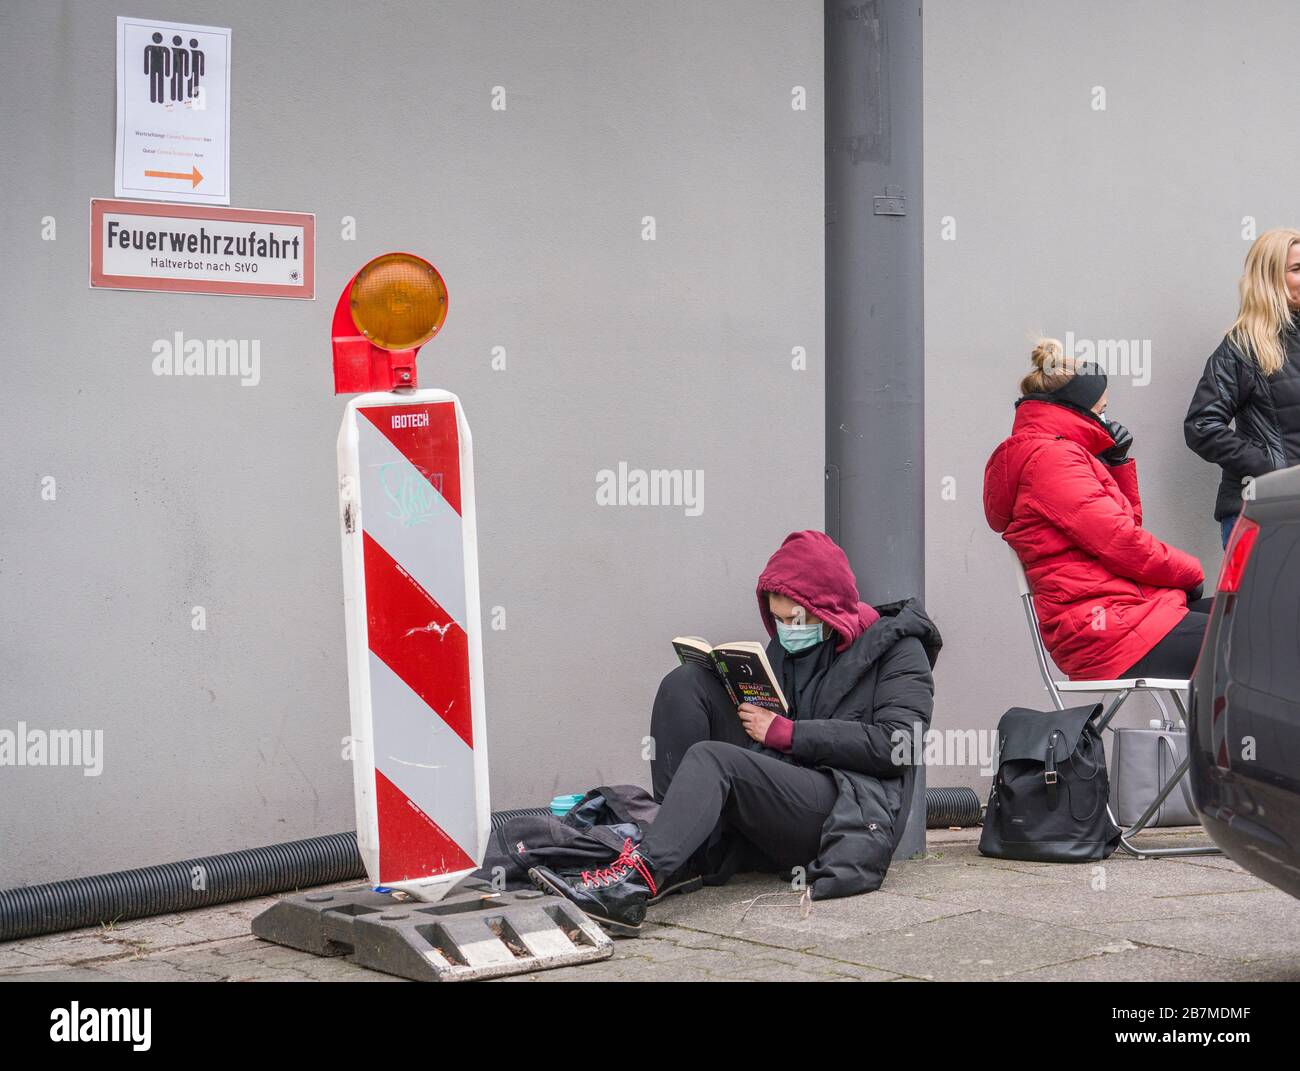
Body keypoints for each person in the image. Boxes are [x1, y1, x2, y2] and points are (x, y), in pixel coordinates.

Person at [528, 530, 941, 936]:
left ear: (829, 609)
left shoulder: (900, 651)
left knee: (714, 758)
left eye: (795, 619)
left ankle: (633, 885)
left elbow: (895, 745)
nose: (786, 630)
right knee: (686, 683)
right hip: (786, 784)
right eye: (777, 620)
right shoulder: (787, 647)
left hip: (847, 806)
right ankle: (684, 857)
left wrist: (788, 733)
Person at [984, 339, 1207, 682]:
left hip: (1121, 615)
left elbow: (1122, 528)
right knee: (1254, 640)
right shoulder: (1053, 461)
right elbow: (1123, 543)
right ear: (1077, 411)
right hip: (1105, 633)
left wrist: (1115, 464)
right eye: (1102, 409)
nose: (1107, 418)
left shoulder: (1058, 454)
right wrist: (1191, 573)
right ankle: (1238, 736)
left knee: (1254, 618)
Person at [1186, 228, 1300, 547]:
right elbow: (1201, 426)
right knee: (1269, 600)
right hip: (1263, 516)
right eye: (1296, 269)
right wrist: (1274, 469)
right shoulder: (1243, 348)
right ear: (1271, 277)